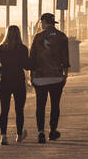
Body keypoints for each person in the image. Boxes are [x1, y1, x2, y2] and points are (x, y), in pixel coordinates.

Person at [29, 12, 70, 143]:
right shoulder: (62, 37)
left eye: (41, 23)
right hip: (56, 77)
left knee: (40, 105)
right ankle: (53, 131)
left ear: (44, 22)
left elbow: (32, 59)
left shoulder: (38, 37)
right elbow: (66, 58)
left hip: (40, 77)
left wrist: (31, 76)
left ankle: (41, 132)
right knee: (55, 105)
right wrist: (65, 76)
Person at [0, 25, 30, 144]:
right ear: (18, 34)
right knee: (19, 110)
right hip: (18, 80)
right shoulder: (23, 48)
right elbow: (26, 66)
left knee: (4, 110)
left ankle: (3, 136)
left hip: (5, 81)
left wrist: (2, 71)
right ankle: (19, 135)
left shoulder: (1, 48)